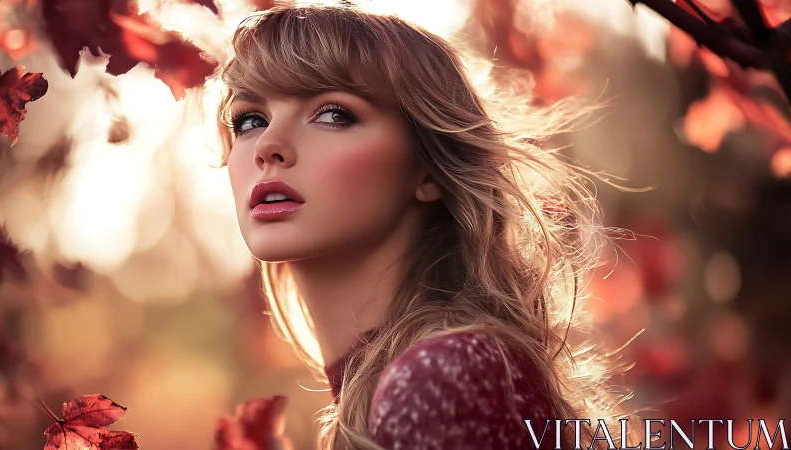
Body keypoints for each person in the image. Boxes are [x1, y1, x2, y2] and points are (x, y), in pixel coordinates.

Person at [216, 3, 643, 449]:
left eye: (333, 114)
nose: (267, 146)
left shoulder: (444, 375)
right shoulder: (412, 383)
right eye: (250, 120)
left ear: (428, 169)